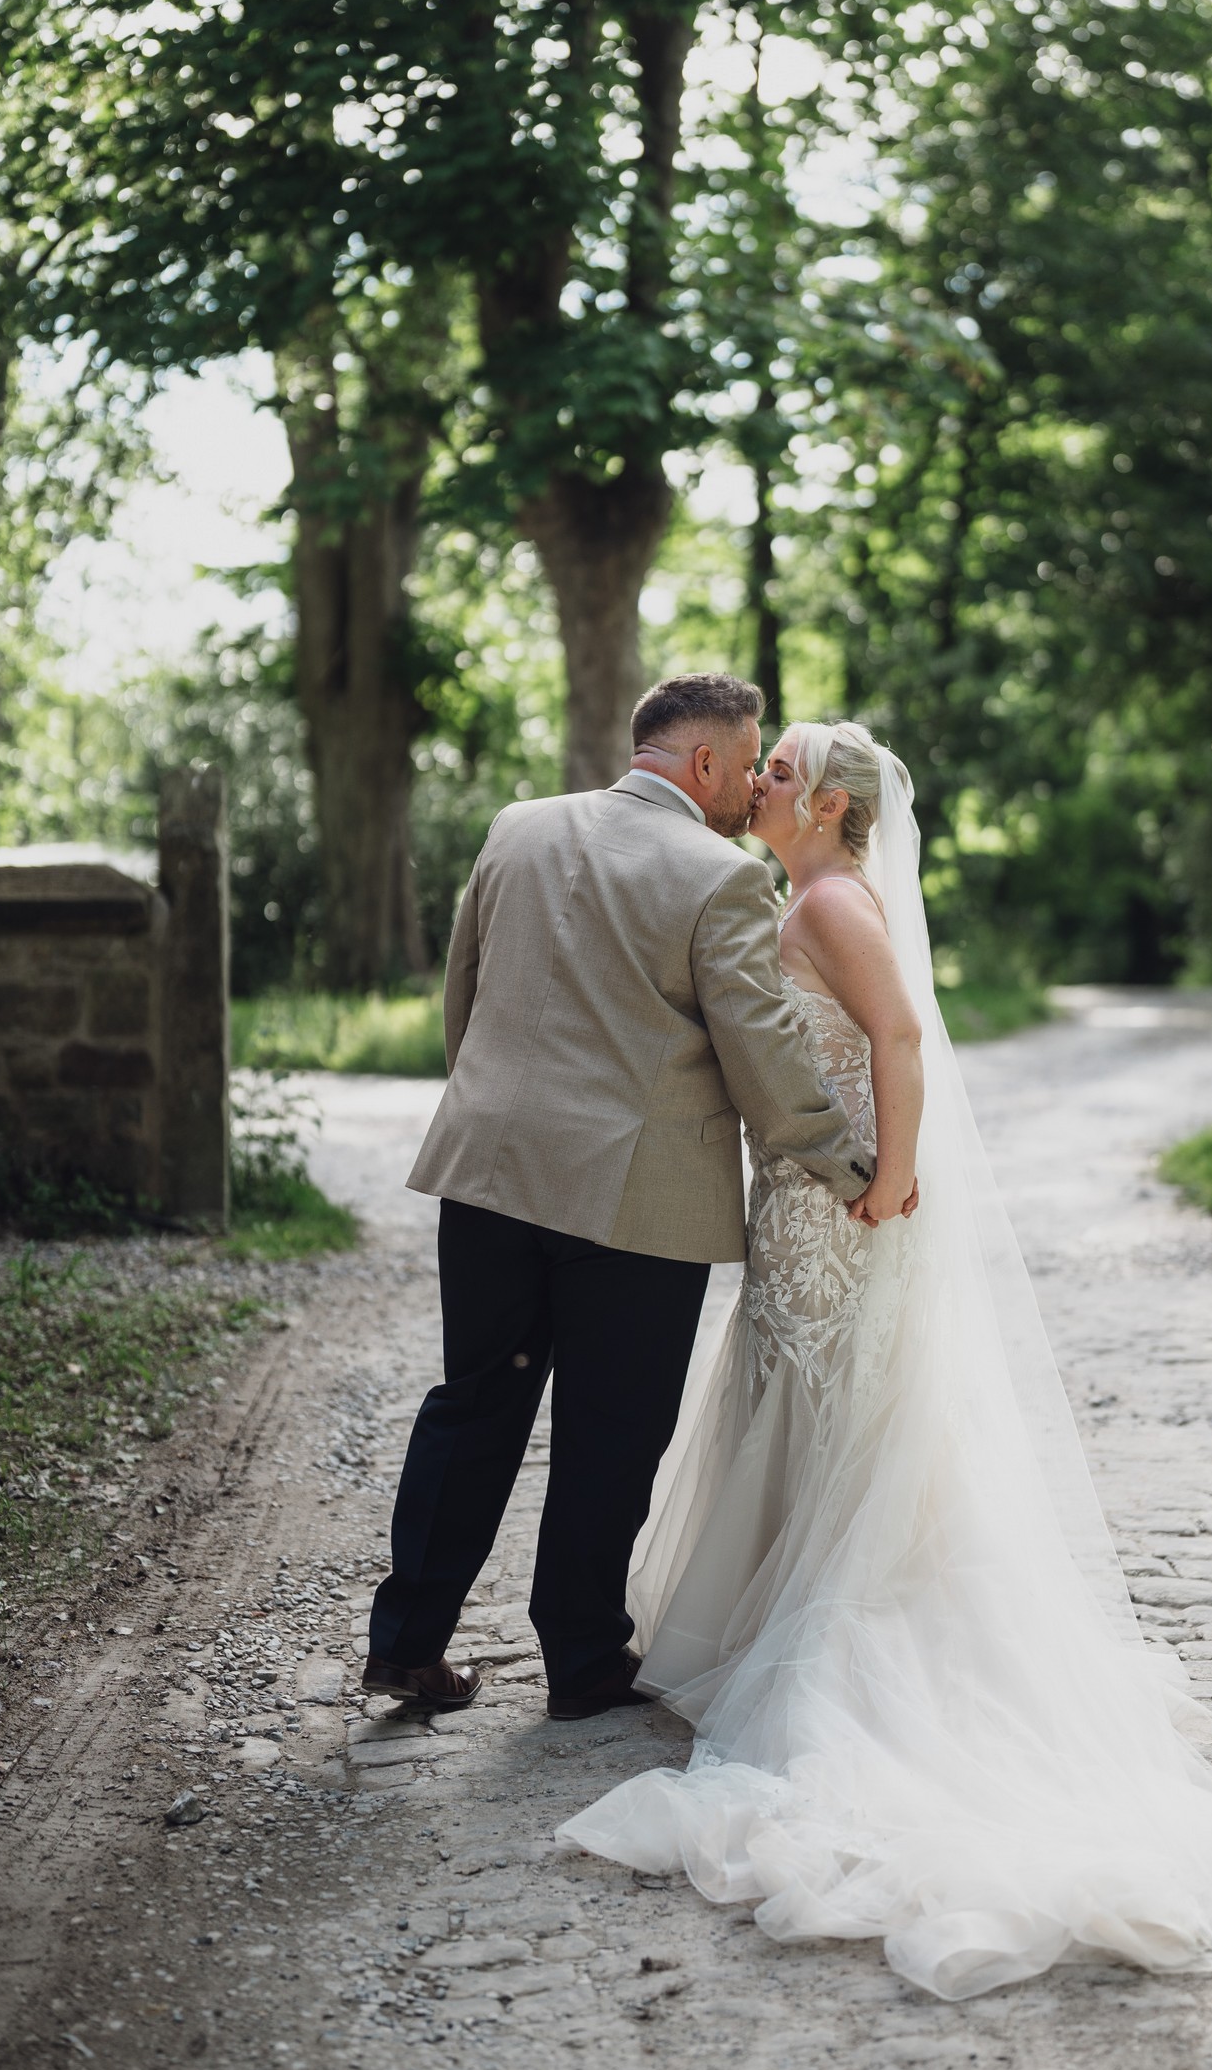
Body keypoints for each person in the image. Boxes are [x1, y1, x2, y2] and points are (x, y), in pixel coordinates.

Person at [560, 719, 1212, 1998]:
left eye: (778, 767)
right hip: (805, 1205)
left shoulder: (829, 904)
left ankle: (830, 1628)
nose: (757, 778)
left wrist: (892, 1184)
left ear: (820, 802)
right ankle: (767, 1605)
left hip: (845, 1210)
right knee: (806, 1400)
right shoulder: (803, 888)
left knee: (839, 1403)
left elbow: (900, 1040)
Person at [362, 675, 876, 1722]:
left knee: (474, 1405)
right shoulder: (720, 877)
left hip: (490, 1178)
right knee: (610, 1429)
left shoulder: (517, 828)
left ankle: (407, 1643)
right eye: (744, 767)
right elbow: (765, 1062)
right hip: (633, 1208)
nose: (748, 788)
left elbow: (464, 998)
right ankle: (583, 1660)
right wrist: (846, 1165)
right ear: (700, 766)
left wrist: (496, 1118)